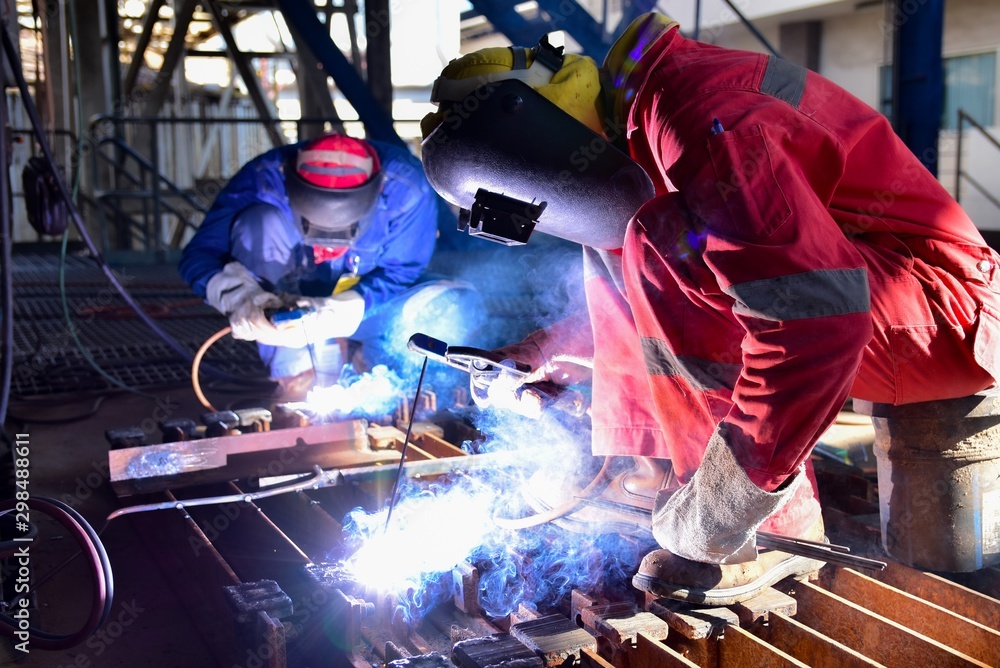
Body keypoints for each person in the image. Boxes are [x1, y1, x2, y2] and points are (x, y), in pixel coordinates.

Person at [419, 14, 1000, 604]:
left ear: (536, 133)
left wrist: (726, 503)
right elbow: (679, 292)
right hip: (890, 303)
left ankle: (769, 528)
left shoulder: (705, 121)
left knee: (659, 237)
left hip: (948, 313)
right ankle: (652, 471)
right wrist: (543, 349)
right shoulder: (647, 117)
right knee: (626, 236)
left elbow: (814, 321)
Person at [180, 132, 479, 399]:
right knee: (259, 222)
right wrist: (242, 298)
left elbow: (402, 271)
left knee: (451, 309)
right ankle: (295, 373)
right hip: (285, 311)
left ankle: (370, 366)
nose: (328, 248)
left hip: (365, 306)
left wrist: (342, 311)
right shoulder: (263, 178)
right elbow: (200, 255)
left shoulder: (406, 187)